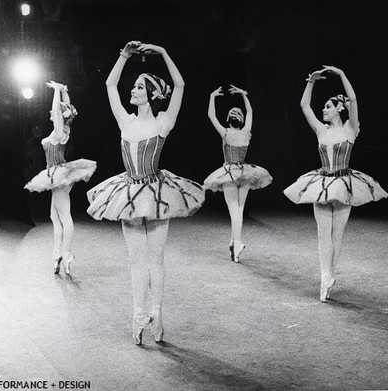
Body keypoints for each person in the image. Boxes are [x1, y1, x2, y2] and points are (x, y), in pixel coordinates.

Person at [87, 41, 204, 344]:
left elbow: (179, 84)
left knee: (156, 260)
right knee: (136, 262)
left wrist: (163, 52)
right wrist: (124, 56)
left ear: (151, 94)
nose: (133, 90)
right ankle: (138, 315)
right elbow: (110, 83)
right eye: (134, 87)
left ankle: (158, 313)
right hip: (128, 194)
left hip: (156, 195)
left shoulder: (163, 122)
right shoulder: (125, 120)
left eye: (139, 87)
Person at [284, 66, 388, 302]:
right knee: (324, 235)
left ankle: (330, 276)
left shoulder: (351, 129)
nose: (323, 109)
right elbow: (304, 106)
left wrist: (341, 74)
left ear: (339, 109)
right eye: (324, 107)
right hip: (322, 184)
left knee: (337, 235)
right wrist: (310, 82)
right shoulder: (320, 129)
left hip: (344, 185)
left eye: (328, 107)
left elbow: (352, 98)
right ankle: (324, 278)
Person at [25, 81, 97, 275]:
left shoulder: (59, 132)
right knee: (54, 217)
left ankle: (66, 253)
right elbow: (67, 111)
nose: (50, 113)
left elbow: (57, 111)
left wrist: (57, 91)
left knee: (64, 217)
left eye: (55, 113)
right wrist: (65, 91)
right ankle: (57, 254)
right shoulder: (62, 130)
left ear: (60, 116)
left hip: (58, 174)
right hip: (57, 174)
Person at [203, 85, 272, 263]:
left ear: (229, 119)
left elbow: (211, 115)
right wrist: (244, 95)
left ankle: (238, 242)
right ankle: (234, 241)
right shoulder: (246, 132)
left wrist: (212, 96)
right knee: (239, 209)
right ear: (241, 121)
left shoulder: (225, 133)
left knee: (235, 209)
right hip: (245, 172)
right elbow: (249, 111)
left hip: (229, 173)